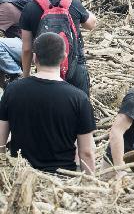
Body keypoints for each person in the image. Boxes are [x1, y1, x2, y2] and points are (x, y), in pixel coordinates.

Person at [0, 33, 96, 173]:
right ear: (64, 58)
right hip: (61, 182)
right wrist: (90, 186)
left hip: (20, 174)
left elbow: (1, 141)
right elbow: (86, 153)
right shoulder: (79, 99)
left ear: (34, 57)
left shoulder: (12, 90)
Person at [20, 0, 97, 94]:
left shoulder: (30, 8)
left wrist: (26, 76)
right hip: (74, 67)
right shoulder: (73, 3)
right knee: (79, 107)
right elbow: (91, 24)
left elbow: (27, 49)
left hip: (45, 71)